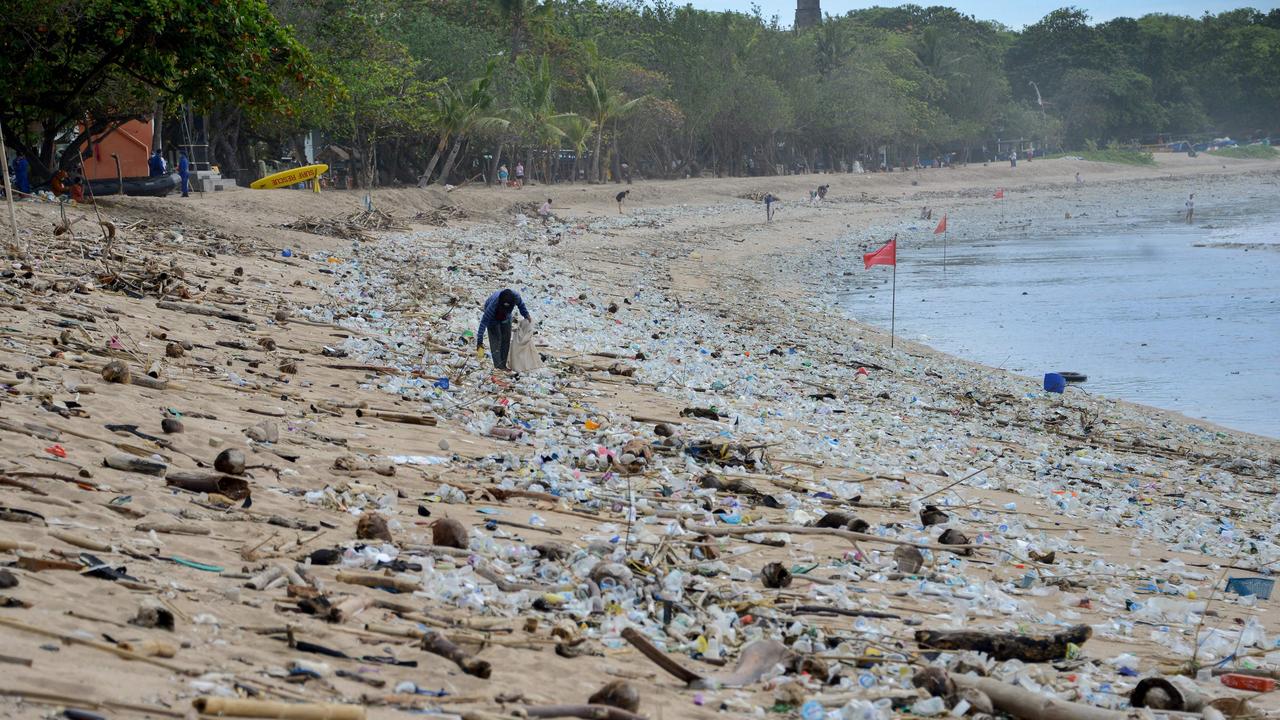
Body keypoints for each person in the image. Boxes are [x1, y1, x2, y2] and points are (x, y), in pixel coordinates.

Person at [477, 289, 532, 371]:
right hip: (493, 319)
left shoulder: (515, 297)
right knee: (496, 341)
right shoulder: (492, 307)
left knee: (506, 340)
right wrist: (479, 342)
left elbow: (521, 306)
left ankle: (503, 364)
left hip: (507, 317)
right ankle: (499, 366)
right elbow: (483, 324)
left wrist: (526, 316)